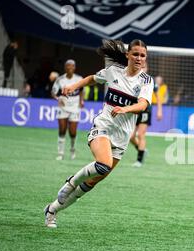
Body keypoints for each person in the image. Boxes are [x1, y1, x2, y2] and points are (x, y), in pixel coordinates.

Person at [43, 39, 154, 228]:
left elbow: (143, 104)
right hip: (103, 126)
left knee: (93, 182)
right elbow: (91, 79)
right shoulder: (113, 73)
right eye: (135, 54)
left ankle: (52, 210)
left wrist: (125, 109)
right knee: (103, 164)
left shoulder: (146, 81)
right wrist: (73, 87)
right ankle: (70, 183)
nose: (139, 58)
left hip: (122, 137)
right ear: (127, 55)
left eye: (142, 55)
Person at [51, 60, 83, 160]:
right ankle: (60, 153)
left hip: (74, 108)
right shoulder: (60, 79)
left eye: (72, 66)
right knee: (62, 130)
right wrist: (58, 99)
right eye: (68, 66)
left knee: (72, 132)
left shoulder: (79, 79)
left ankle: (72, 149)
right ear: (65, 68)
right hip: (63, 108)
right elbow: (53, 93)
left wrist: (81, 101)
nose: (70, 68)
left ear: (74, 68)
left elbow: (81, 90)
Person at [129, 74, 164, 167]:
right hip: (135, 109)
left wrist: (159, 110)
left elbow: (158, 96)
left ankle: (139, 161)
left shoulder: (149, 80)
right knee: (131, 136)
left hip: (146, 110)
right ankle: (142, 150)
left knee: (140, 134)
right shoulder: (133, 78)